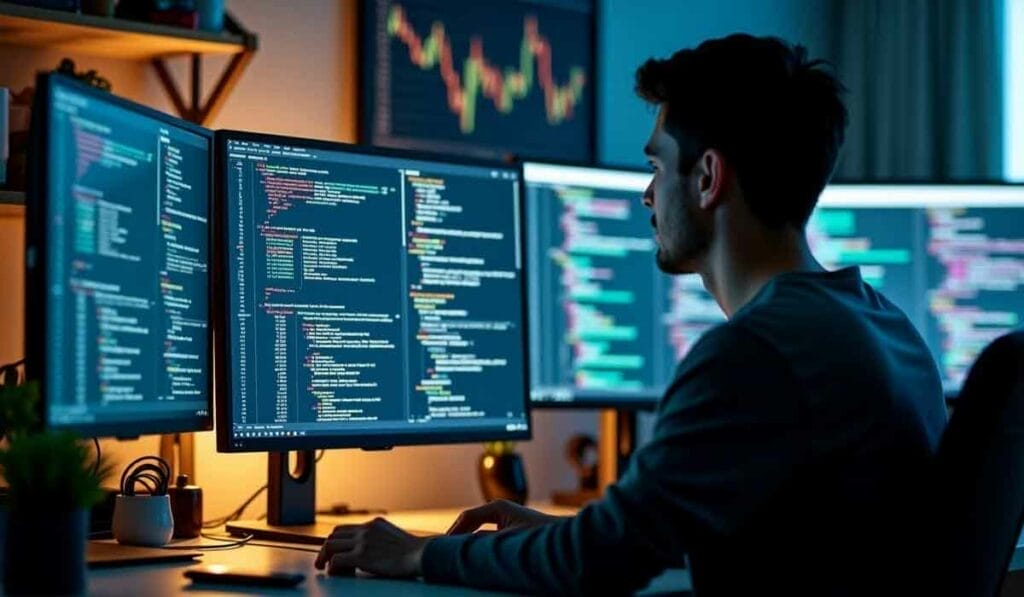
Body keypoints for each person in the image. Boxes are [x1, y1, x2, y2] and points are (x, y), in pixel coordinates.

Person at [314, 33, 948, 596]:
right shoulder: (882, 324)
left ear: (706, 178)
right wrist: (578, 532)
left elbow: (598, 564)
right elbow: (788, 535)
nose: (647, 195)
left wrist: (422, 552)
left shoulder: (755, 352)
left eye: (654, 166)